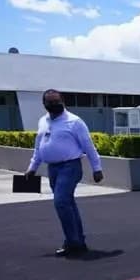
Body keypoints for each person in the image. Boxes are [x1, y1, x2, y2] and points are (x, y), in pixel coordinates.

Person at [25, 89, 104, 257]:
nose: (54, 105)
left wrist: (97, 168)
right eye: (50, 102)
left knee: (61, 202)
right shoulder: (42, 121)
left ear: (63, 101)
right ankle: (78, 242)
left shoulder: (74, 122)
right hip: (52, 168)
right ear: (44, 104)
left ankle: (72, 242)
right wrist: (32, 168)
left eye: (57, 101)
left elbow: (89, 146)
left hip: (70, 167)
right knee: (68, 204)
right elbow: (39, 148)